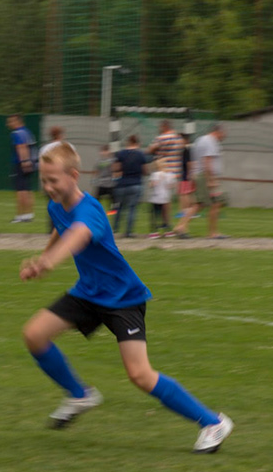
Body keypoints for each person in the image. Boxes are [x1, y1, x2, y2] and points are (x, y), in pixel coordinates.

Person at [21, 141, 234, 452]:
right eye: (44, 180)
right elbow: (61, 229)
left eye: (53, 180)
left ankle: (213, 423)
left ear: (74, 176)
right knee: (34, 335)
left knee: (140, 375)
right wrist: (42, 258)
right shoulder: (56, 206)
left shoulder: (90, 210)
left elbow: (78, 234)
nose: (48, 187)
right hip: (89, 292)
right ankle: (80, 395)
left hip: (123, 298)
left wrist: (50, 262)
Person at [174, 122, 228, 239]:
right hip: (205, 176)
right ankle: (184, 227)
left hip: (202, 175)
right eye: (223, 133)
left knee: (207, 204)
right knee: (203, 204)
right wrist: (211, 180)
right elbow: (207, 161)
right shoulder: (210, 141)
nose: (224, 136)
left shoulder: (203, 140)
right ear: (218, 131)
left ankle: (183, 227)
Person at [111, 134, 149, 238]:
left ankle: (115, 230)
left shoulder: (121, 153)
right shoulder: (141, 155)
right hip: (136, 184)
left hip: (122, 184)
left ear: (128, 142)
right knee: (132, 209)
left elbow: (115, 168)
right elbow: (145, 171)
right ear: (138, 143)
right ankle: (128, 232)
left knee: (119, 208)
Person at [9, 114, 37, 224]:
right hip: (31, 163)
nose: (9, 124)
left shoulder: (17, 133)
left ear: (17, 121)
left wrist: (24, 161)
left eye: (11, 121)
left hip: (20, 164)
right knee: (28, 189)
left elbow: (21, 147)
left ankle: (20, 215)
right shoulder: (27, 132)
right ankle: (28, 214)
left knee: (20, 190)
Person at [146, 162, 177, 238]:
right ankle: (168, 231)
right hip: (165, 197)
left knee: (155, 215)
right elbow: (171, 186)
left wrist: (154, 182)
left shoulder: (155, 174)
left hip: (156, 197)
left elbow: (152, 185)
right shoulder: (170, 175)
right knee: (165, 215)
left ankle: (154, 232)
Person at [93, 144, 117, 216]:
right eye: (102, 151)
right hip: (102, 182)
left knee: (112, 198)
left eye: (105, 151)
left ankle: (113, 210)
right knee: (97, 198)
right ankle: (96, 210)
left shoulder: (111, 160)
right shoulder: (99, 161)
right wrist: (94, 179)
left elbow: (114, 169)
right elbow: (97, 171)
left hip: (109, 182)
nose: (103, 153)